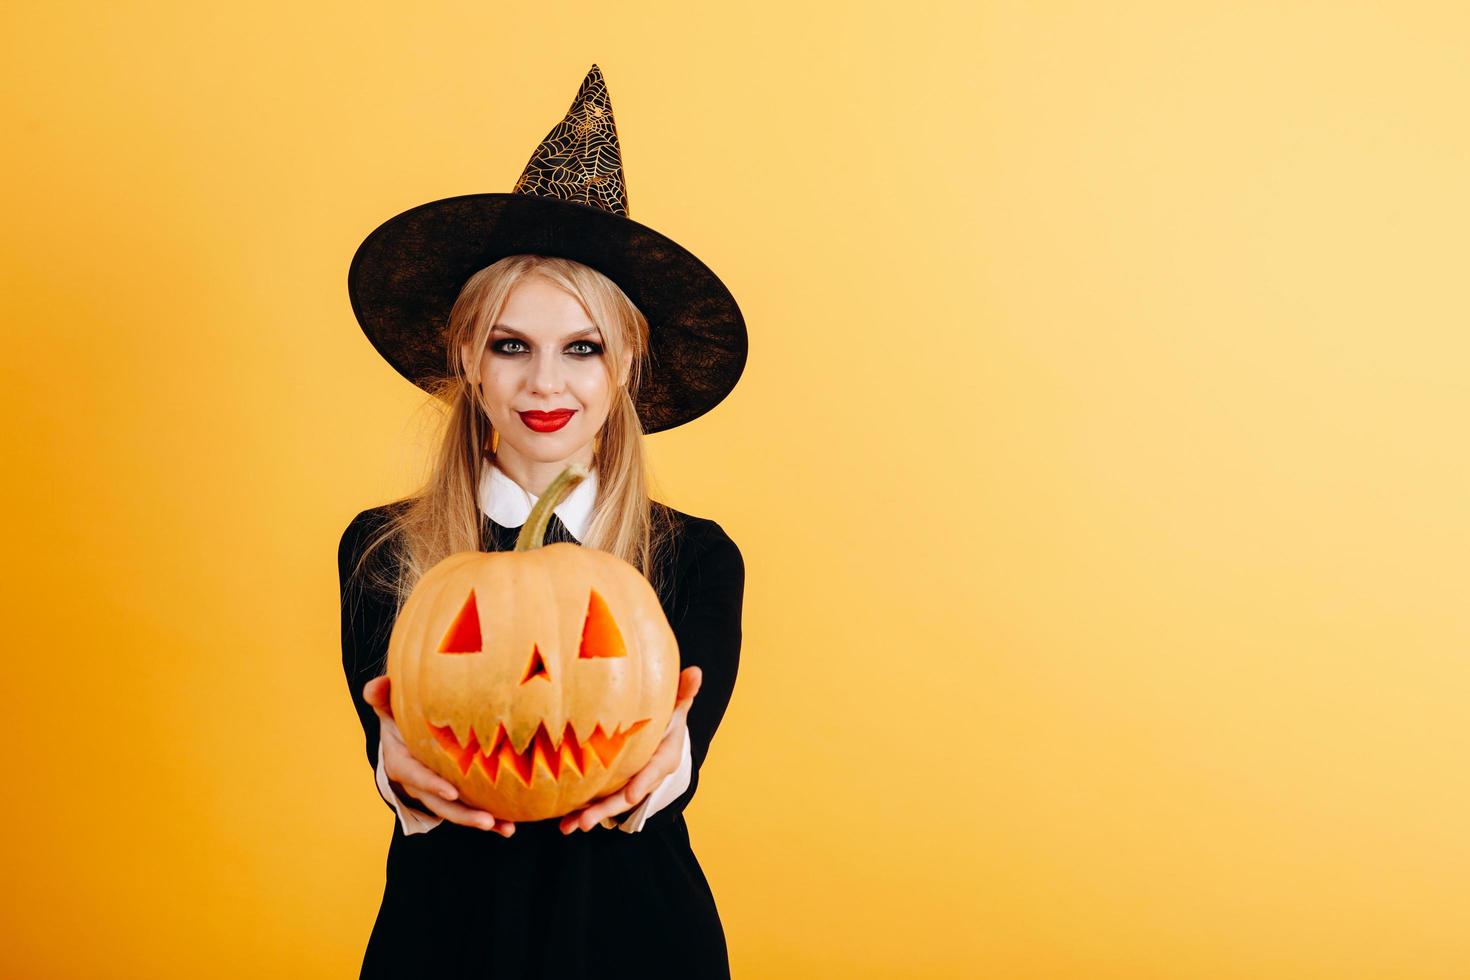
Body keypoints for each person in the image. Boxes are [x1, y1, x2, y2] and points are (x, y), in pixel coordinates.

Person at [339, 65, 749, 978]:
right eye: (512, 346)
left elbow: (677, 753)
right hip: (444, 945)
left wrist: (666, 758)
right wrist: (398, 770)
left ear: (626, 364)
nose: (546, 384)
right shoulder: (383, 550)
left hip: (642, 945)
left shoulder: (695, 558)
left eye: (582, 348)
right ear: (467, 357)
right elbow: (398, 740)